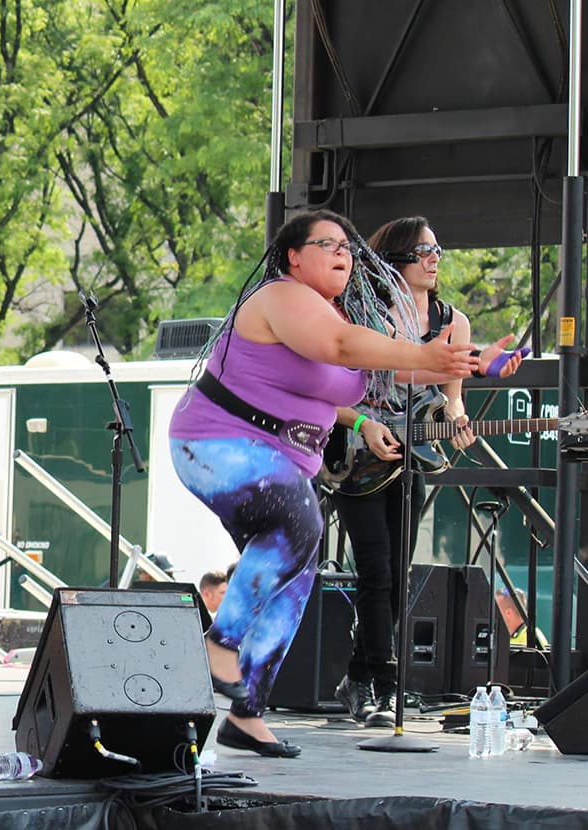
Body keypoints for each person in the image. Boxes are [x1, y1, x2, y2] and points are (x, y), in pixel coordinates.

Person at [168, 209, 477, 758]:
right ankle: (219, 643)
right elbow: (340, 349)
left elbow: (392, 372)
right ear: (293, 255)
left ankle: (247, 713)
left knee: (296, 573)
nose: (343, 253)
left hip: (278, 459)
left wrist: (474, 364)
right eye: (327, 243)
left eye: (347, 246)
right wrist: (423, 353)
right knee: (300, 520)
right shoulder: (281, 297)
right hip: (216, 443)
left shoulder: (338, 314)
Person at [330, 216, 525, 728]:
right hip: (355, 448)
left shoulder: (452, 321)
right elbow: (334, 387)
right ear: (395, 259)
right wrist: (365, 422)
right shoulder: (361, 311)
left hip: (410, 456)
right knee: (375, 568)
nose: (435, 259)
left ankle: (361, 675)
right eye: (424, 251)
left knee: (397, 574)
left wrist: (460, 420)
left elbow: (451, 400)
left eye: (439, 249)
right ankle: (382, 683)